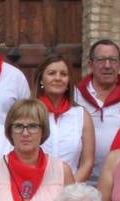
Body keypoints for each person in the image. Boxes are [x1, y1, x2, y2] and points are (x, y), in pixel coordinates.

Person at [75, 39, 120, 184]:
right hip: (80, 180)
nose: (107, 65)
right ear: (90, 64)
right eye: (101, 60)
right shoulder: (75, 97)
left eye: (112, 60)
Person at [35, 52, 95, 182]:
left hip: (71, 193)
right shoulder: (29, 113)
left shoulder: (81, 115)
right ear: (41, 79)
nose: (58, 78)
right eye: (51, 73)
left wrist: (68, 189)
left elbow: (87, 162)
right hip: (34, 190)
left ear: (69, 81)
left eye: (63, 74)